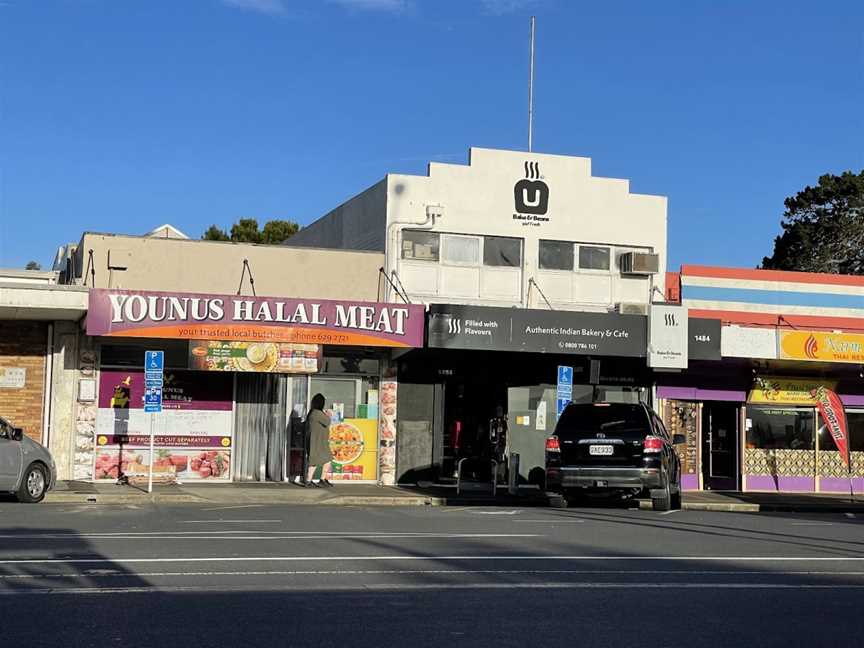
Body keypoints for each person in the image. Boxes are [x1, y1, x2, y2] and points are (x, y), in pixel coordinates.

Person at [304, 393, 333, 487]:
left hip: (317, 441)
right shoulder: (317, 413)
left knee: (322, 459)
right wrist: (328, 414)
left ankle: (319, 479)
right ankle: (310, 480)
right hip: (318, 441)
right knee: (318, 460)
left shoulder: (312, 412)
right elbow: (327, 422)